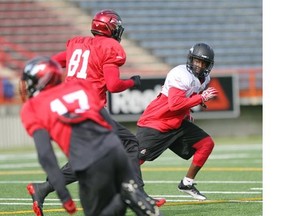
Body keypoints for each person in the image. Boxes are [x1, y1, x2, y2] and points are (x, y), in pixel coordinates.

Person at [25, 8, 166, 214]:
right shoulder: (109, 46)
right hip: (90, 111)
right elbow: (113, 85)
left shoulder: (78, 44)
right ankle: (138, 193)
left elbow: (53, 62)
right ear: (111, 28)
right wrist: (132, 82)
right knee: (130, 143)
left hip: (69, 109)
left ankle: (42, 188)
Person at [136, 43, 218, 200]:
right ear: (190, 59)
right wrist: (201, 98)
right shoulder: (181, 74)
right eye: (196, 61)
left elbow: (188, 97)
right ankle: (121, 188)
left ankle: (187, 183)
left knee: (206, 144)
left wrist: (189, 110)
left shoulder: (205, 78)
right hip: (156, 121)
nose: (199, 66)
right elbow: (174, 104)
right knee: (135, 159)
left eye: (203, 63)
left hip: (176, 122)